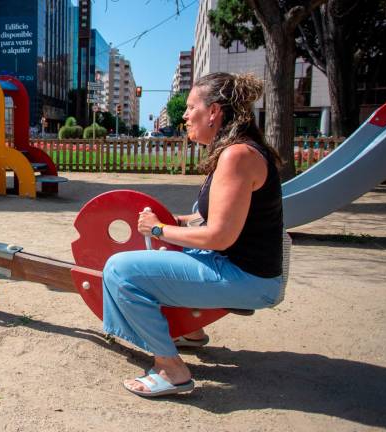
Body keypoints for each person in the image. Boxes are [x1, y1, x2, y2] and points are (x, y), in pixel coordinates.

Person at [102, 72, 284, 397]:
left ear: (213, 111)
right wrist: (173, 222)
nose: (184, 116)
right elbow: (207, 220)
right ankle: (193, 331)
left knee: (119, 270)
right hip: (245, 269)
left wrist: (159, 229)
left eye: (190, 108)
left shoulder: (236, 156)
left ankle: (171, 371)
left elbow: (218, 237)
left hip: (246, 277)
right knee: (162, 257)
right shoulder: (236, 151)